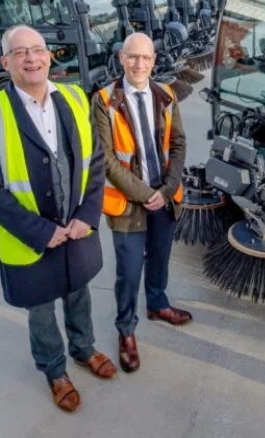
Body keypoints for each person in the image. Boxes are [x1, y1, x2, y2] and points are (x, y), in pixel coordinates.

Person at [0, 25, 116, 413]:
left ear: (50, 56)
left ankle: (84, 349)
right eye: (20, 52)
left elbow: (94, 161)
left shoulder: (75, 97)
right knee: (42, 308)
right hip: (30, 238)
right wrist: (40, 231)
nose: (30, 58)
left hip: (76, 226)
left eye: (37, 50)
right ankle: (55, 370)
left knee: (79, 292)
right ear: (5, 62)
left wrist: (87, 214)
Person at [93, 32, 189, 374]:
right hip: (129, 203)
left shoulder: (166, 95)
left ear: (153, 61)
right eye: (133, 57)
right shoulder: (104, 101)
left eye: (146, 58)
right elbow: (106, 160)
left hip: (164, 197)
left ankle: (158, 304)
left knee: (160, 259)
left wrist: (166, 189)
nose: (139, 64)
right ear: (121, 58)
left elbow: (177, 144)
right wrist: (145, 193)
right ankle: (126, 329)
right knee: (129, 271)